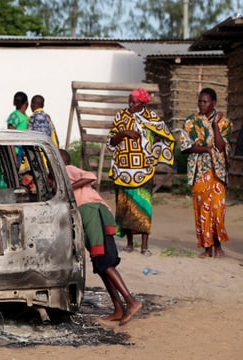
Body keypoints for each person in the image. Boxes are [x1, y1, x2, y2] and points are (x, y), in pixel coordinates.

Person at [61, 149, 142, 326]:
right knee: (100, 264)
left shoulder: (67, 170)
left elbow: (90, 176)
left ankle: (131, 301)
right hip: (91, 214)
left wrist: (68, 187)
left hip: (91, 211)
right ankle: (118, 307)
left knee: (104, 261)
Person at [106, 88, 175, 256]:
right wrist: (123, 134)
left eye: (134, 102)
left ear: (143, 103)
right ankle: (129, 244)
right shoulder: (120, 116)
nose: (130, 105)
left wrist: (154, 154)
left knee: (143, 207)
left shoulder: (152, 118)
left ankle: (144, 245)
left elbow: (167, 137)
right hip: (122, 171)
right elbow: (110, 142)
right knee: (125, 207)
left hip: (143, 171)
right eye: (129, 101)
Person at [178, 88, 232, 258]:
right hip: (199, 172)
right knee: (203, 210)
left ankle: (218, 245)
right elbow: (185, 146)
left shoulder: (225, 123)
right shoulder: (191, 122)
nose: (201, 104)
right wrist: (206, 149)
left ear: (214, 103)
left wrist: (215, 124)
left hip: (218, 173)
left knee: (218, 210)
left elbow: (222, 146)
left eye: (205, 101)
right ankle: (207, 248)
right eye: (200, 101)